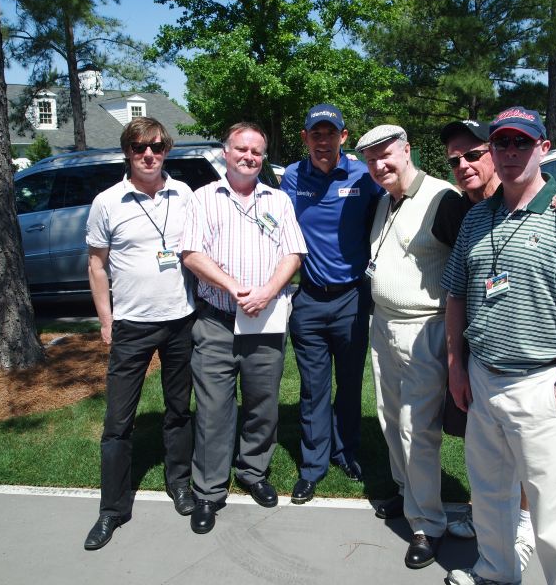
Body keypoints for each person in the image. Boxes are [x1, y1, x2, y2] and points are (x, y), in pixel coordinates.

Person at [441, 107, 556, 585]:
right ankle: (496, 571)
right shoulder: (477, 219)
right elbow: (456, 295)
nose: (510, 153)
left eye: (522, 143)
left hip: (538, 385)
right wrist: (456, 366)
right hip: (481, 379)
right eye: (502, 143)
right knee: (490, 495)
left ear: (543, 149)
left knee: (552, 509)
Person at [181, 122, 307, 534]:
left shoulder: (279, 199)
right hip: (217, 320)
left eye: (256, 150)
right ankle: (209, 491)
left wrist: (269, 291)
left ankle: (253, 472)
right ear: (226, 152)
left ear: (263, 156)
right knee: (214, 410)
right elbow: (191, 254)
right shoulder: (203, 199)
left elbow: (293, 252)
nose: (249, 156)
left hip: (266, 322)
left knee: (262, 405)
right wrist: (234, 288)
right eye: (241, 149)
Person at [355, 124, 468, 569]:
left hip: (426, 329)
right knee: (388, 417)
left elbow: (468, 266)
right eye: (371, 159)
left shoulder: (443, 200)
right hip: (383, 325)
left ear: (407, 150)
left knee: (416, 428)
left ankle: (428, 525)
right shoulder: (385, 201)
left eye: (387, 155)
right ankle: (408, 498)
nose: (380, 165)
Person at [84, 117, 197, 551]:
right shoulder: (107, 202)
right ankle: (112, 509)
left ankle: (180, 485)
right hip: (131, 326)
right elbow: (97, 264)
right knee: (118, 422)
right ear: (127, 152)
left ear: (166, 149)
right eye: (138, 147)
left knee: (178, 411)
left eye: (156, 146)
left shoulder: (183, 193)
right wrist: (106, 320)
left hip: (181, 319)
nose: (148, 154)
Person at [280, 104, 382, 504]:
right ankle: (312, 466)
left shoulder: (363, 175)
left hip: (353, 299)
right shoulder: (291, 177)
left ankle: (346, 452)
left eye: (331, 133)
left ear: (343, 137)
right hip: (308, 299)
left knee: (350, 385)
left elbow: (394, 207)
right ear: (306, 138)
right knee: (313, 388)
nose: (323, 141)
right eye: (315, 134)